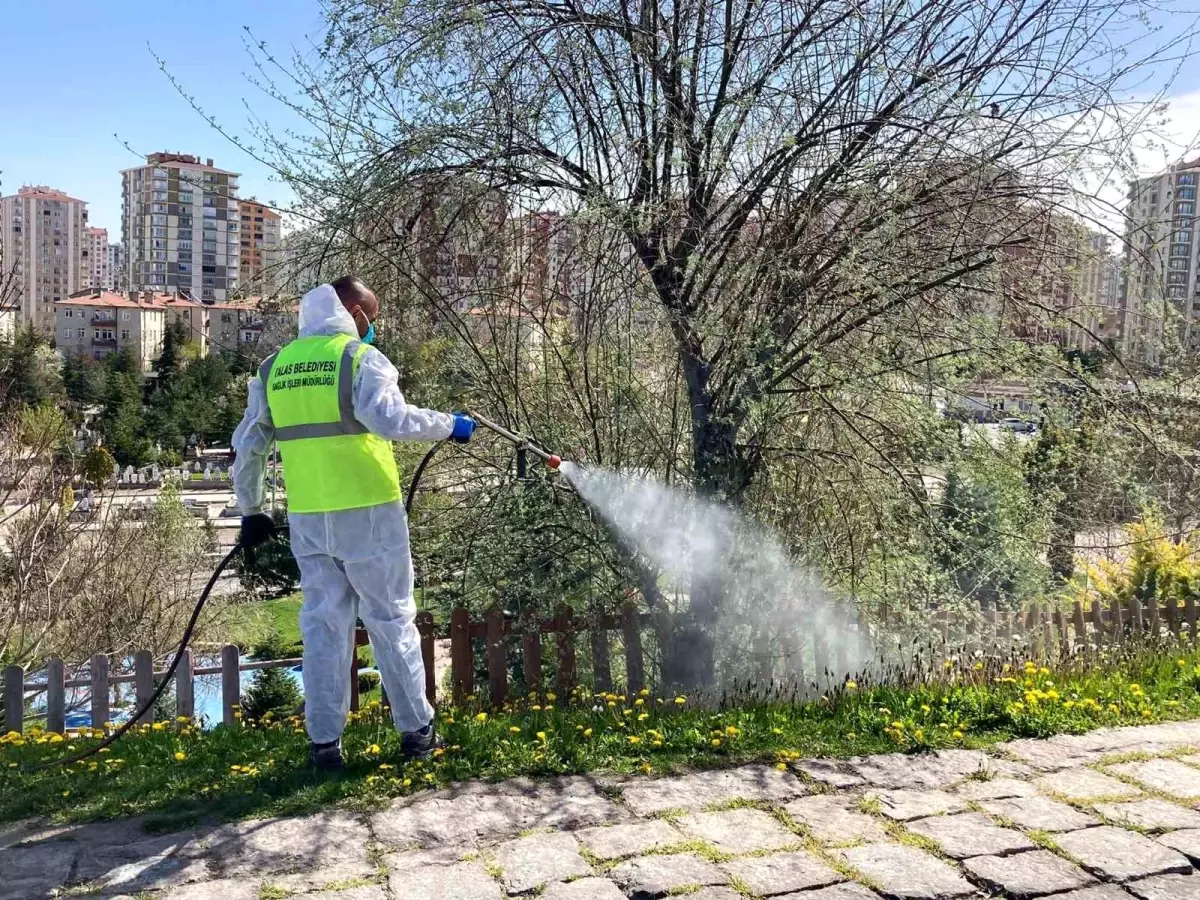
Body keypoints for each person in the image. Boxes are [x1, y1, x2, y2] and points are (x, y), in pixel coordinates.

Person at [231, 277, 475, 769]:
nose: (373, 327)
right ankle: (417, 735)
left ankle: (324, 746)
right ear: (354, 312)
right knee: (391, 623)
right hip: (368, 516)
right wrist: (451, 424)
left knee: (323, 631)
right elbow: (389, 419)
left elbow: (249, 445)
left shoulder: (274, 368)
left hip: (309, 521)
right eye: (372, 316)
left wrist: (251, 510)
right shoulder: (359, 359)